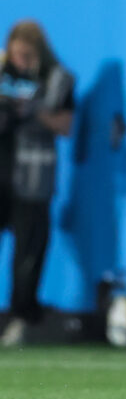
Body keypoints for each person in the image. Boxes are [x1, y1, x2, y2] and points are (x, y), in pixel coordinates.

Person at [0, 20, 74, 347]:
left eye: (27, 55)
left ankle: (21, 318)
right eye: (17, 55)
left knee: (28, 254)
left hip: (31, 180)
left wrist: (33, 110)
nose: (21, 61)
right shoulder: (3, 72)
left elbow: (66, 126)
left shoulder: (57, 78)